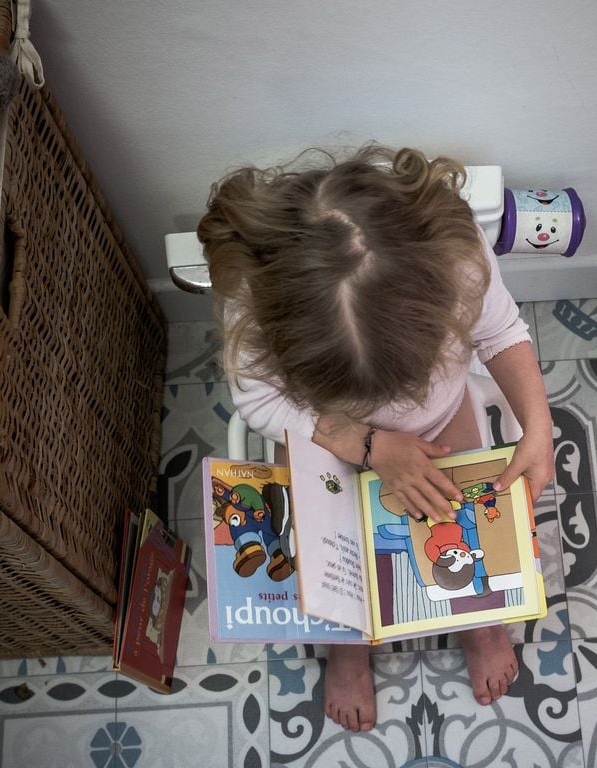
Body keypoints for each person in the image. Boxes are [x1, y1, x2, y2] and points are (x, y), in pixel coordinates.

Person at [197, 145, 555, 733]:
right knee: (324, 560)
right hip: (323, 439)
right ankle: (348, 642)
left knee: (469, 528)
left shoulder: (457, 258)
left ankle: (478, 620)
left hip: (439, 425)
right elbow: (262, 399)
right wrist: (367, 443)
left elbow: (501, 332)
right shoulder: (256, 296)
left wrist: (538, 428)